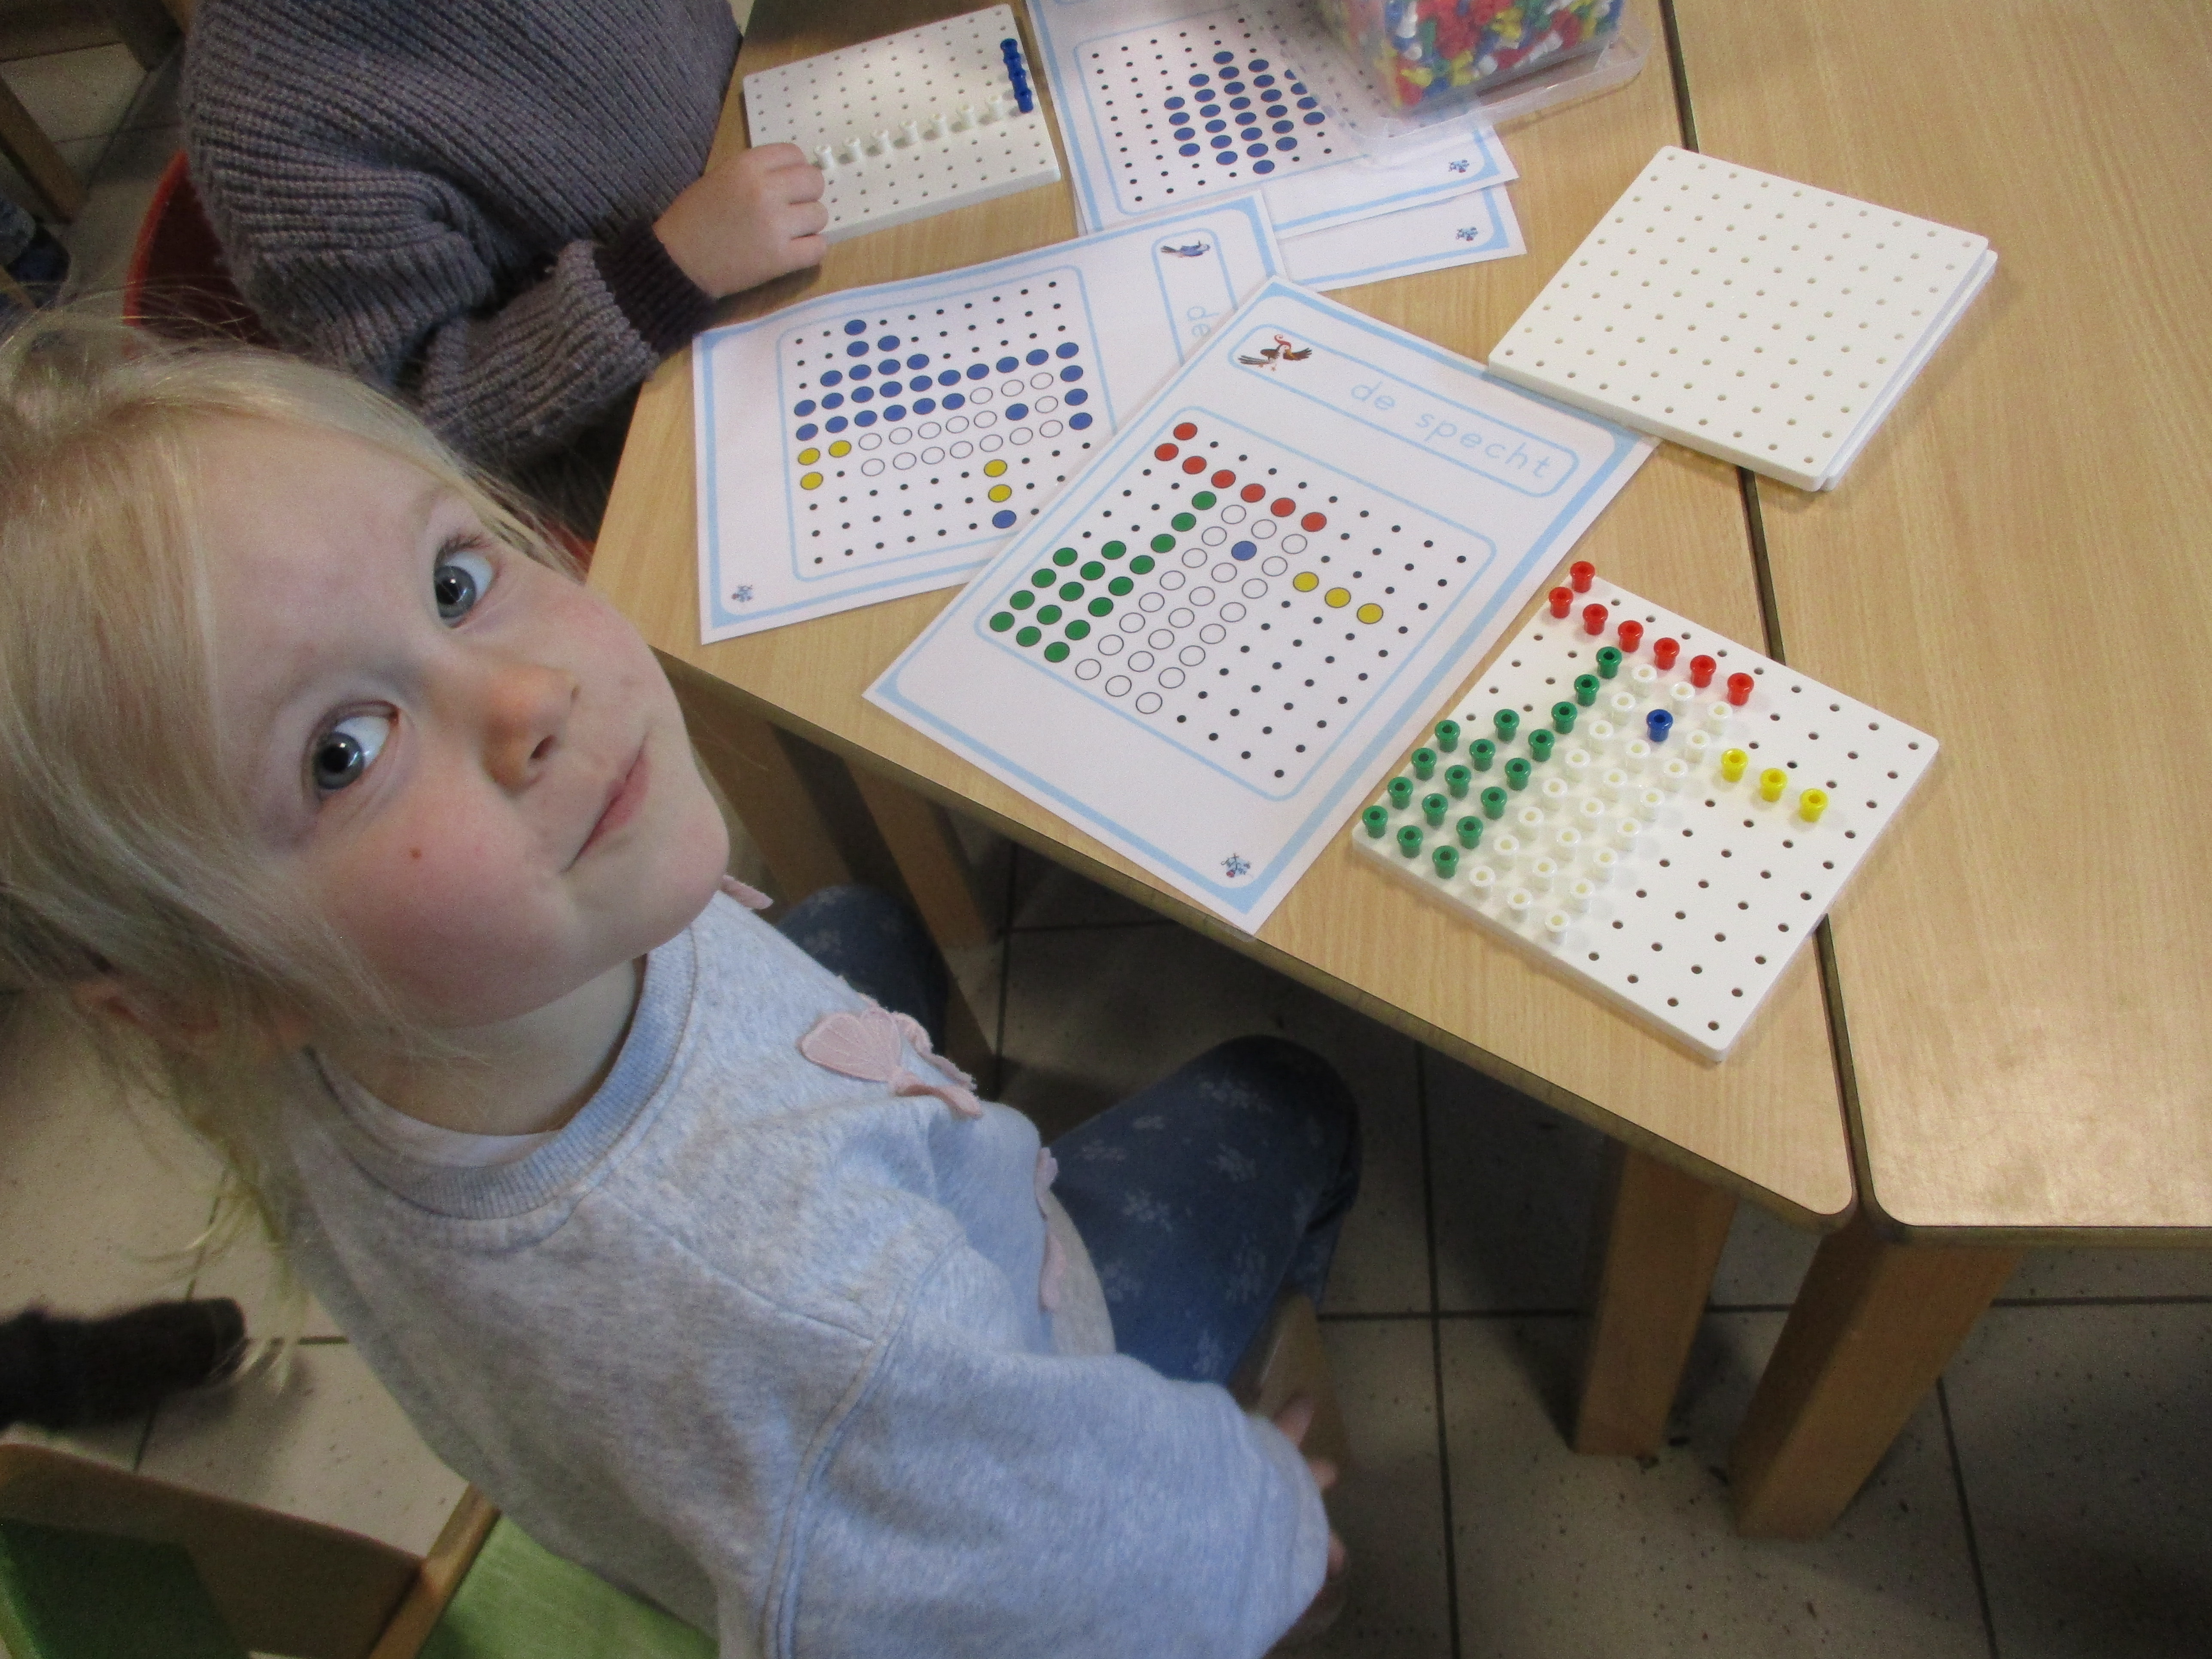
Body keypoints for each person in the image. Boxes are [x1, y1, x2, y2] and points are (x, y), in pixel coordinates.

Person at [0, 316, 1362, 1656]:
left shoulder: (332, 1036)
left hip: (745, 1416)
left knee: (857, 920)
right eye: (341, 754)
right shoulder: (833, 1331)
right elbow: (1097, 1555)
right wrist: (1268, 1525)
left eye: (456, 582)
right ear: (205, 995)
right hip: (1025, 1408)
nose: (529, 695)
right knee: (1288, 1098)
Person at [179, 0, 827, 524]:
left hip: (787, 173)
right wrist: (663, 274)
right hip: (668, 429)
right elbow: (418, 424)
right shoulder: (264, 125)